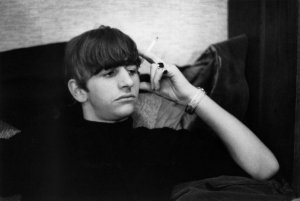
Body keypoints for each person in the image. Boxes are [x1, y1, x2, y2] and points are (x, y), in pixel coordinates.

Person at [21, 25, 279, 201]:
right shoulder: (43, 144)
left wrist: (190, 95)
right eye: (110, 73)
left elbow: (264, 168)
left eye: (132, 70)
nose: (127, 82)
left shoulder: (161, 146)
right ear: (78, 91)